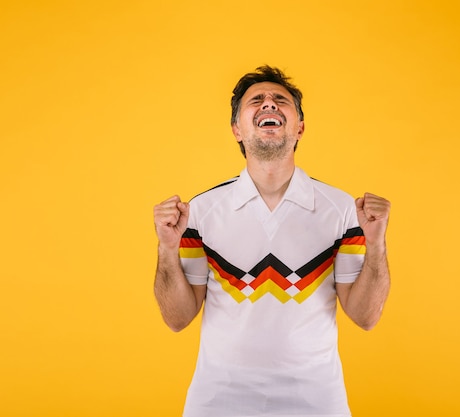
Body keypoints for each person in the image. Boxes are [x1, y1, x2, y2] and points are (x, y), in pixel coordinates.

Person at [153, 65, 391, 417]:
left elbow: (365, 316)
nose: (269, 103)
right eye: (257, 100)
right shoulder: (199, 211)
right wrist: (166, 249)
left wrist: (377, 246)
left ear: (299, 128)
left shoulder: (341, 209)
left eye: (281, 100)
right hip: (217, 403)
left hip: (317, 403)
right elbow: (177, 318)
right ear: (237, 129)